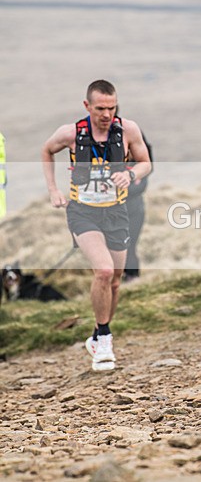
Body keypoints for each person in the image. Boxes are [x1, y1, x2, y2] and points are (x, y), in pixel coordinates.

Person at [42, 80, 151, 371]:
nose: (107, 114)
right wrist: (53, 190)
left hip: (116, 212)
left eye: (112, 107)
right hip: (83, 213)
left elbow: (145, 162)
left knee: (115, 280)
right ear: (87, 105)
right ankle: (104, 339)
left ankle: (96, 333)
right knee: (102, 271)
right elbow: (46, 151)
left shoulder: (128, 129)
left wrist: (131, 174)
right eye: (101, 108)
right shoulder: (70, 133)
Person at [123, 132, 152, 281]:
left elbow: (140, 186)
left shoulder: (139, 170)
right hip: (107, 212)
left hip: (134, 210)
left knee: (129, 246)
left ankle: (132, 278)